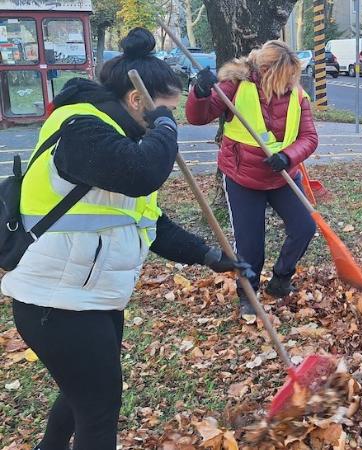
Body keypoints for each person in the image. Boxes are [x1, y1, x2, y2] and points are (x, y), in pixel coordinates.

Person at [0, 28, 251, 450]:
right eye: (165, 110)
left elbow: (150, 224)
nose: (170, 120)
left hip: (89, 299)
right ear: (138, 101)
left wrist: (211, 257)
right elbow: (142, 174)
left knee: (82, 393)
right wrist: (165, 128)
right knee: (98, 410)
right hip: (55, 304)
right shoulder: (80, 129)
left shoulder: (121, 143)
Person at [185, 40, 319, 318]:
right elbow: (198, 117)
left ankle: (281, 279)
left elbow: (309, 137)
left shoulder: (297, 94)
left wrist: (288, 156)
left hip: (282, 176)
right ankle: (248, 293)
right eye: (286, 76)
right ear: (268, 71)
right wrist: (199, 92)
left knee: (304, 226)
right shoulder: (235, 85)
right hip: (242, 177)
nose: (291, 82)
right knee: (250, 244)